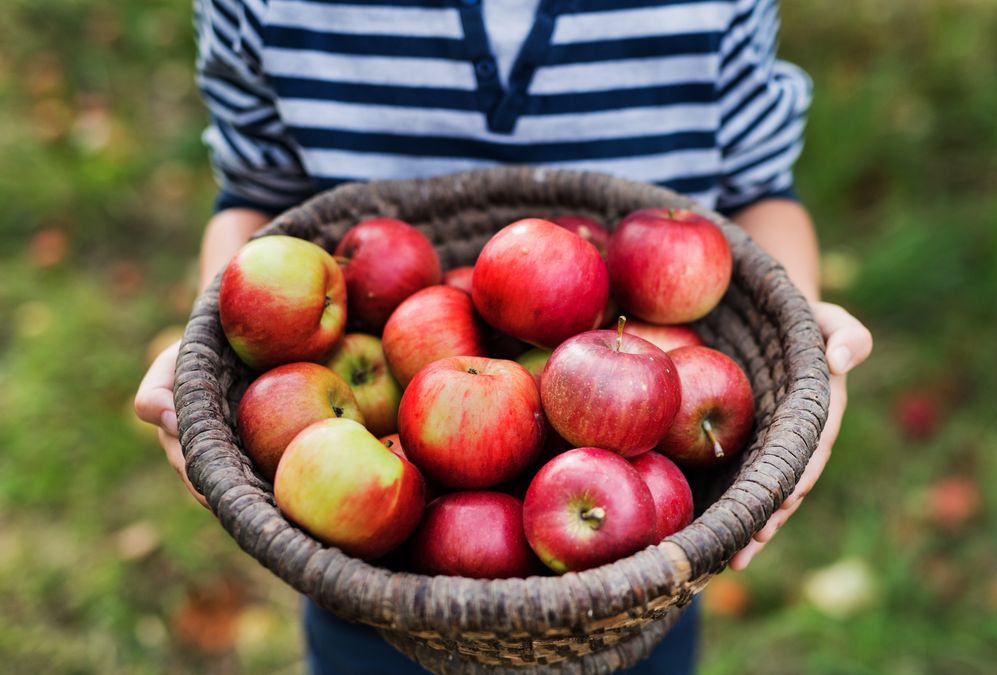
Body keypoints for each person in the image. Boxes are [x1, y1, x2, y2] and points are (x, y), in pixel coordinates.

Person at [135, 0, 873, 672]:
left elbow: (760, 187)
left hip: (641, 565)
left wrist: (801, 329)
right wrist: (223, 349)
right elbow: (256, 201)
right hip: (371, 574)